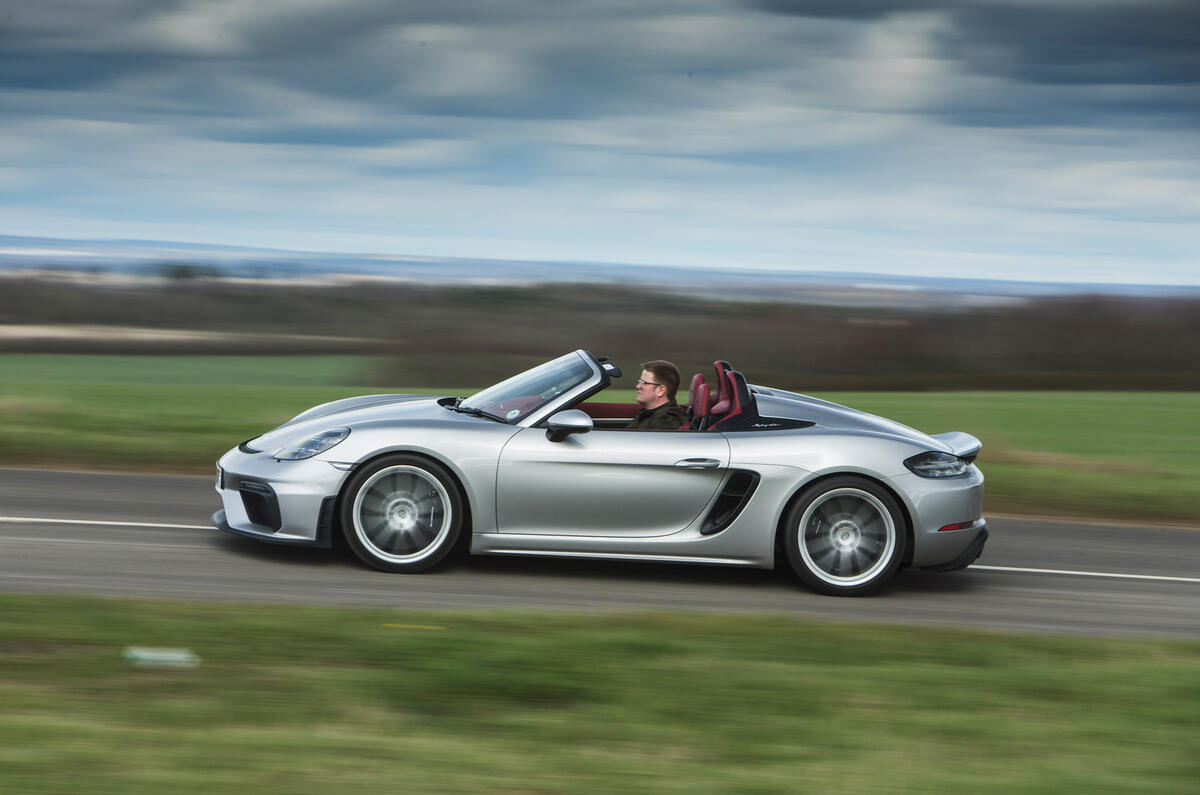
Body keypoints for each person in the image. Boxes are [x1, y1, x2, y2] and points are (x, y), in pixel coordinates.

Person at [627, 360, 689, 430]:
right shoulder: (649, 414)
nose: (638, 386)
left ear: (661, 390)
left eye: (643, 383)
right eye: (640, 382)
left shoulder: (666, 421)